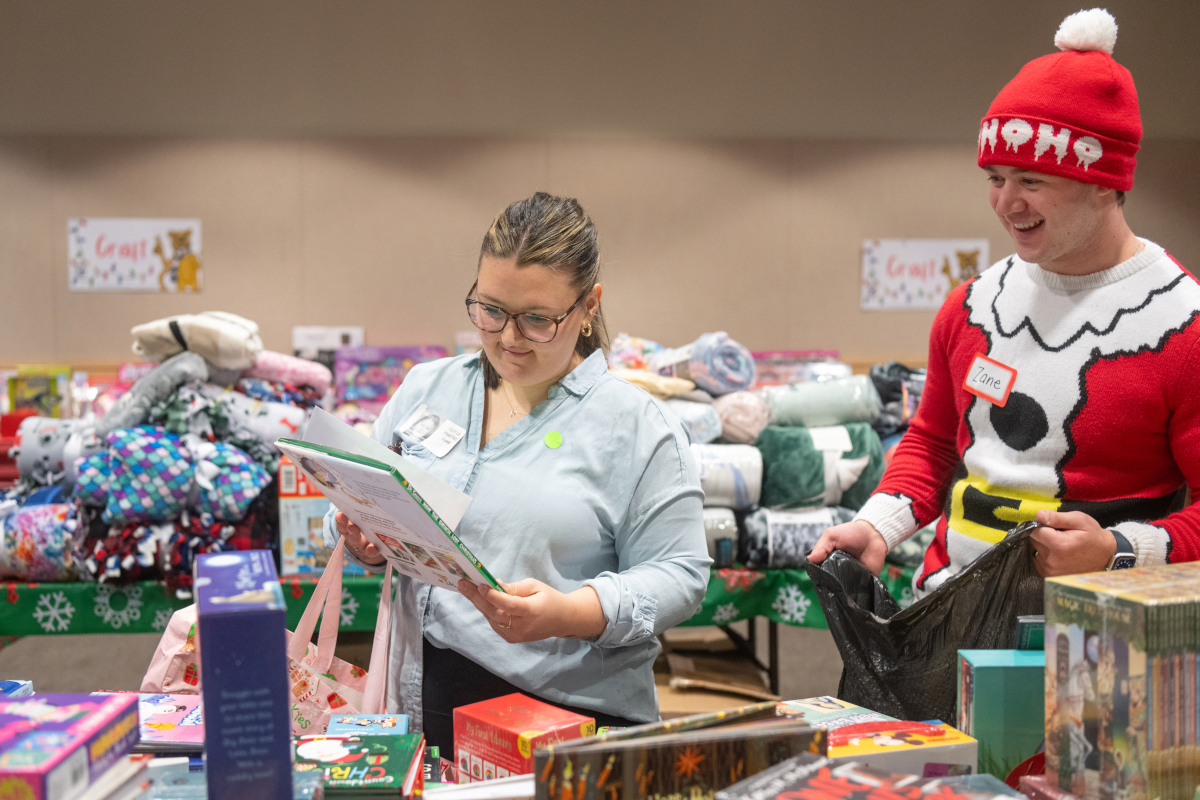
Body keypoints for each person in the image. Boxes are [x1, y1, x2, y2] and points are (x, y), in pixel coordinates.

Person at [810, 9, 1200, 597]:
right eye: (994, 177)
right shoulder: (971, 306)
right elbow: (935, 440)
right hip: (944, 614)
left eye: (1032, 180)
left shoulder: (1183, 327)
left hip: (1096, 640)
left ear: (1104, 180)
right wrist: (879, 525)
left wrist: (1119, 550)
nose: (1006, 202)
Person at [324, 192, 710, 752]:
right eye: (490, 310)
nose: (507, 338)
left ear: (589, 306)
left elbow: (681, 575)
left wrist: (571, 612)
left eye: (535, 320)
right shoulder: (428, 388)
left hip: (566, 717)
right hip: (421, 701)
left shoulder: (638, 428)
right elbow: (366, 500)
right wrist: (364, 537)